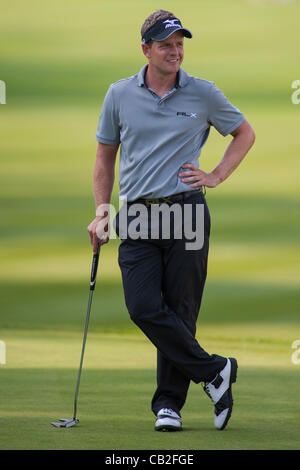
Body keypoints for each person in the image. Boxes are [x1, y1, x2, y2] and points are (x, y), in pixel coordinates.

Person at [87, 9, 255, 432]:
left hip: (188, 212)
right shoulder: (119, 94)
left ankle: (169, 405)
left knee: (181, 311)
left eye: (180, 44)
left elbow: (244, 133)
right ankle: (215, 371)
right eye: (166, 44)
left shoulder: (203, 93)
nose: (175, 51)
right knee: (143, 305)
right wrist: (102, 211)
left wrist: (216, 175)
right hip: (139, 216)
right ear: (146, 49)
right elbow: (105, 156)